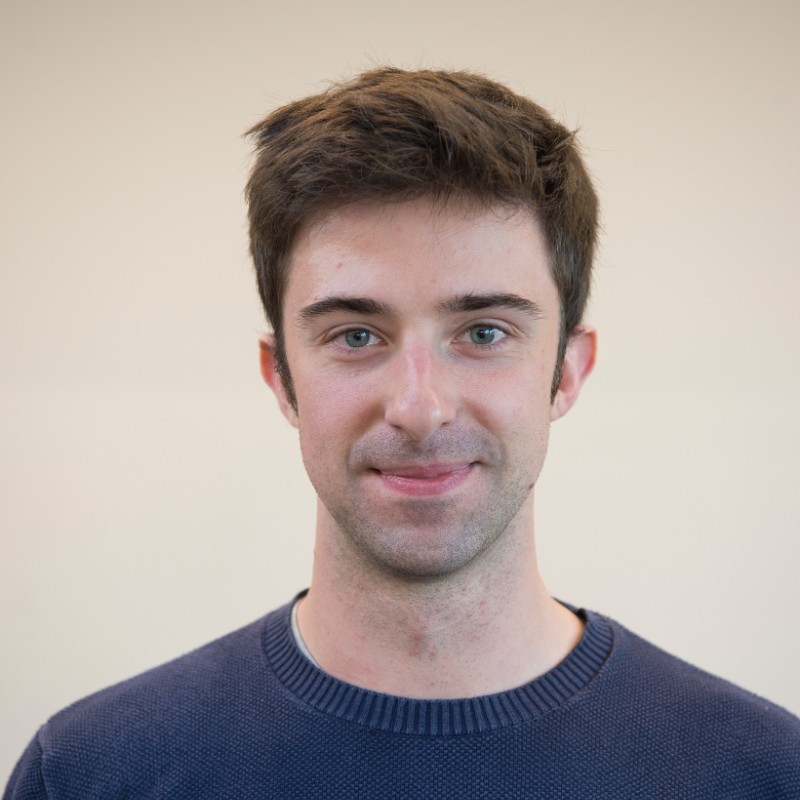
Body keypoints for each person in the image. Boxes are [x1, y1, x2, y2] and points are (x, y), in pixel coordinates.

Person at [5, 67, 799, 799]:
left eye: (483, 333)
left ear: (566, 371)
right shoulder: (90, 774)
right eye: (356, 336)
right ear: (281, 376)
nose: (420, 408)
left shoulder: (759, 774)